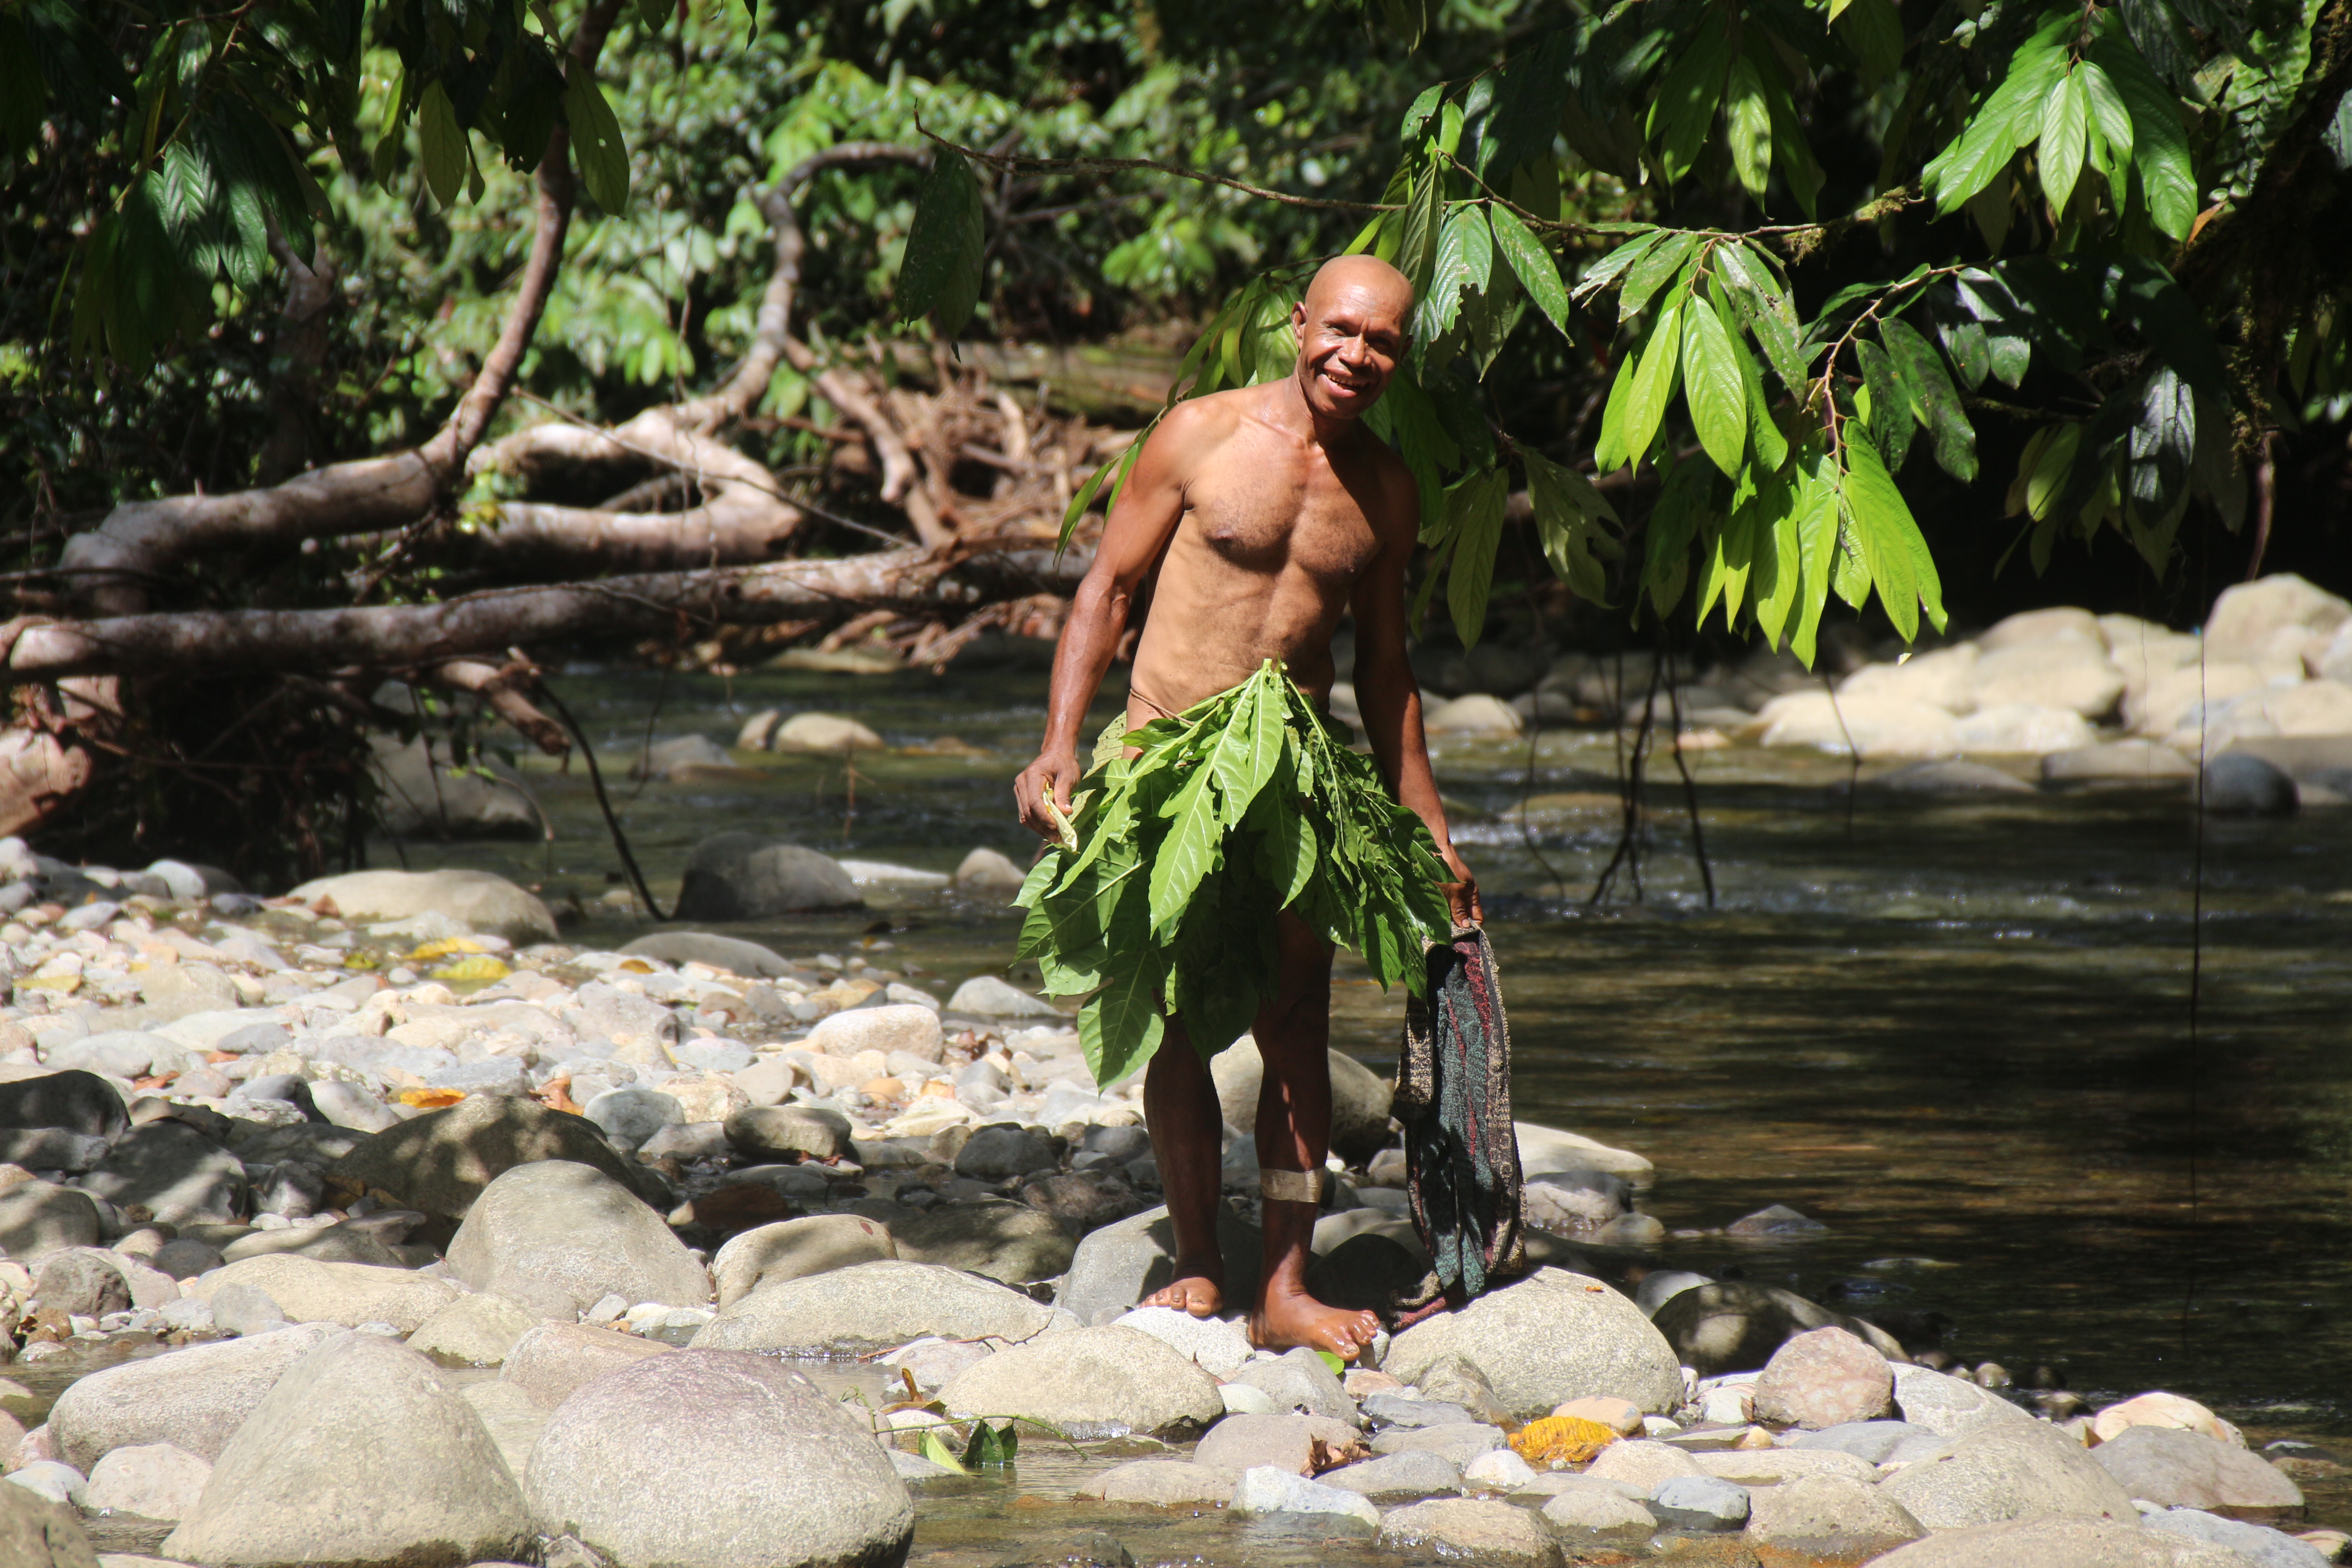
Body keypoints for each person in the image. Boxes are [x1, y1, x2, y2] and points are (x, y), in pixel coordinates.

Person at [1012, 254, 1480, 1359]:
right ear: (1299, 324)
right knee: (1175, 1012)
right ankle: (1196, 1261)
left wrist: (1429, 830)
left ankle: (1283, 1288)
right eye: (1342, 331)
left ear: (1401, 358)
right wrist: (1059, 745)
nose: (1357, 356)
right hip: (1168, 760)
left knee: (1297, 1023)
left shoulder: (1387, 488)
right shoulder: (1200, 434)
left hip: (1294, 777)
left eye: (1383, 343)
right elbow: (1108, 590)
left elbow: (1387, 672)